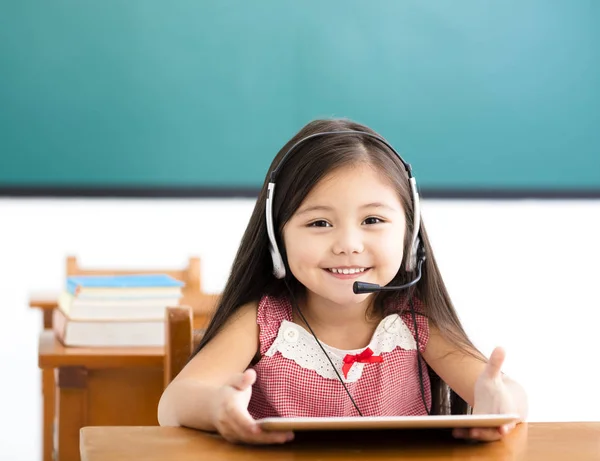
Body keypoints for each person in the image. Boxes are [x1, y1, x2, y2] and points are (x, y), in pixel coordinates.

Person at [157, 118, 528, 445]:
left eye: (372, 221)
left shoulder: (415, 320)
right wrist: (219, 407)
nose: (348, 246)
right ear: (276, 238)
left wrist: (501, 402)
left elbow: (508, 393)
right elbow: (175, 403)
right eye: (319, 223)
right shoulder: (263, 323)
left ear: (410, 234)